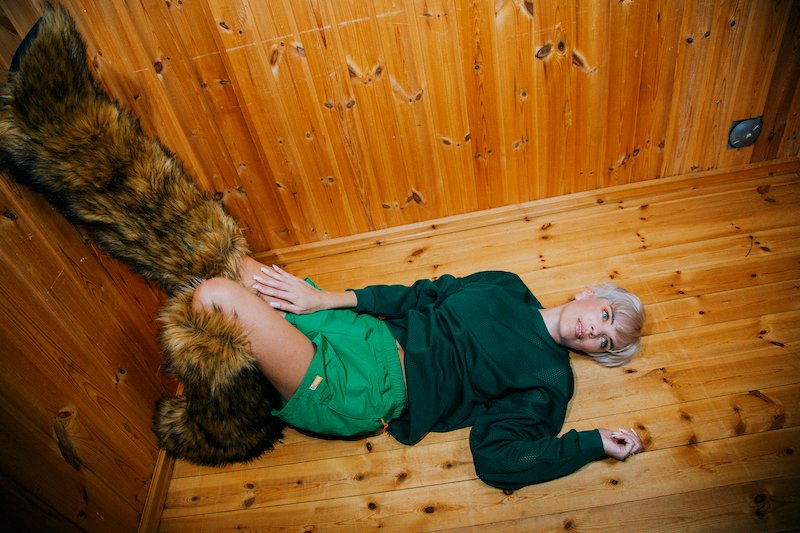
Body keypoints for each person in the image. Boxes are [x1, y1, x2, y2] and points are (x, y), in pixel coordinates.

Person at [192, 257, 645, 489]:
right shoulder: (506, 285)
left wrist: (592, 444)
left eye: (605, 343)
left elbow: (498, 458)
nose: (595, 332)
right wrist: (326, 298)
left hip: (371, 387)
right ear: (588, 295)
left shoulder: (550, 380)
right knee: (236, 265)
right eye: (605, 316)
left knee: (216, 296)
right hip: (361, 329)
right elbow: (420, 294)